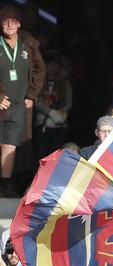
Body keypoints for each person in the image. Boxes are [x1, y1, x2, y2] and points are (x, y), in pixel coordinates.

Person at [0, 4, 45, 197]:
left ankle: (6, 185)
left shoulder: (28, 42)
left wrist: (31, 96)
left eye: (14, 20)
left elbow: (39, 69)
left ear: (19, 24)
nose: (9, 24)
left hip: (18, 105)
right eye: (5, 20)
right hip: (1, 102)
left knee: (9, 146)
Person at [33, 52, 71, 161]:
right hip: (42, 124)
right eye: (48, 65)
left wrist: (58, 114)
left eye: (54, 65)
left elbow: (68, 103)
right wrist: (50, 113)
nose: (51, 68)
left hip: (59, 124)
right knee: (41, 154)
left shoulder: (65, 83)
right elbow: (36, 101)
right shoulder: (39, 82)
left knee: (55, 155)